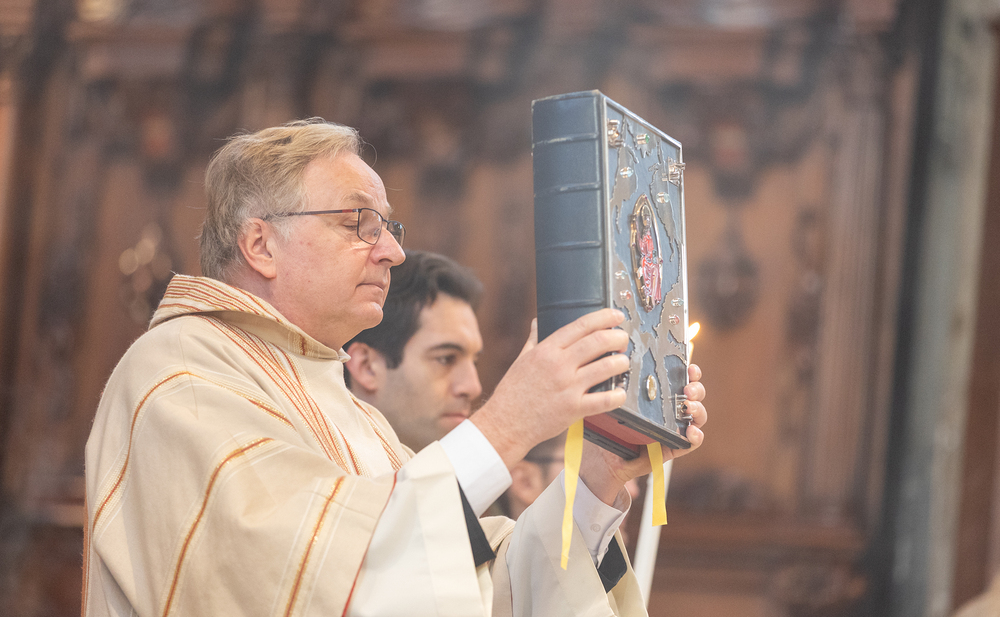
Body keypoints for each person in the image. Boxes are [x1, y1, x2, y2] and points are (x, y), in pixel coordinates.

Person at [82, 118, 708, 617]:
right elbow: (297, 580)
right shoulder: (181, 374)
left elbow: (474, 590)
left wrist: (597, 476)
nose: (392, 251)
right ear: (261, 245)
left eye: (388, 226)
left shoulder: (352, 412)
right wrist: (510, 421)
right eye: (358, 222)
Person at [343, 250, 485, 452]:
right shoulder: (316, 465)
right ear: (367, 367)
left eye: (474, 362)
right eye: (446, 359)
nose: (473, 387)